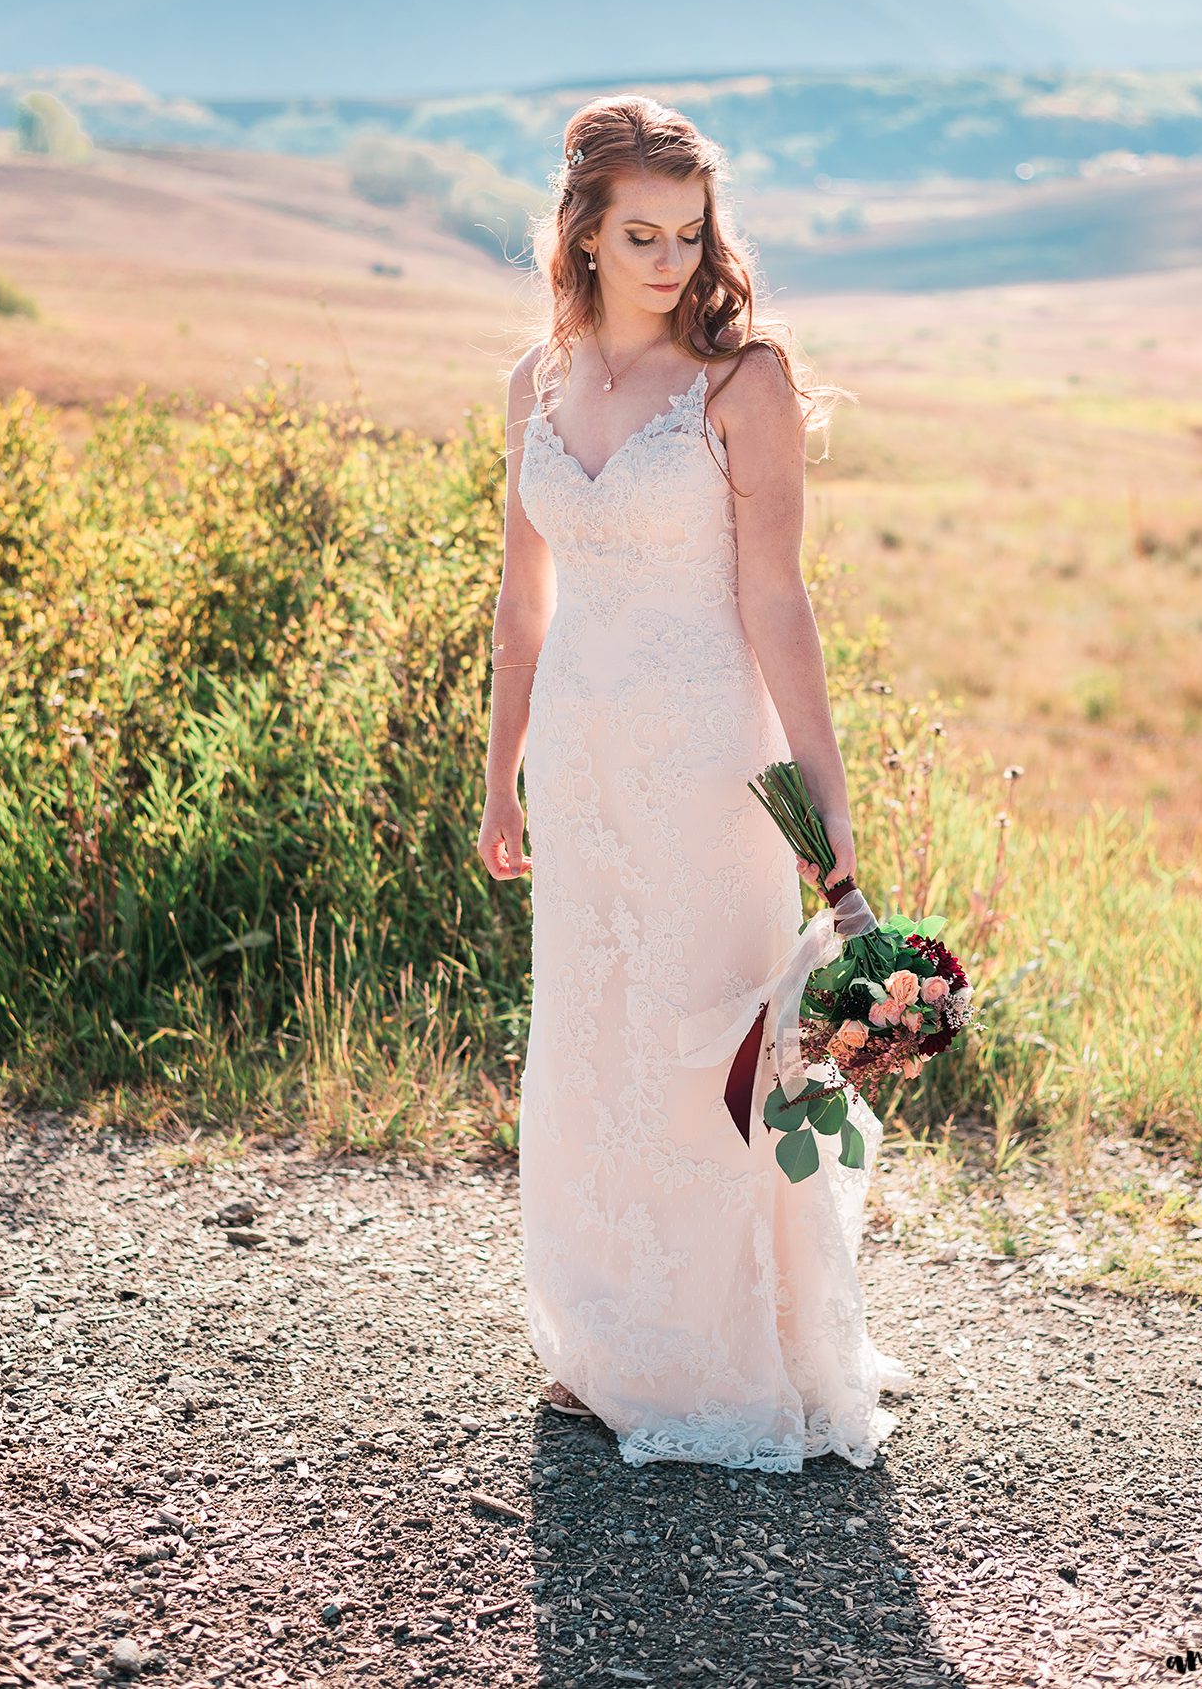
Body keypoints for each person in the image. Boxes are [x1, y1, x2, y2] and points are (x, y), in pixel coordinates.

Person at [478, 94, 913, 1471]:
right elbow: (519, 605)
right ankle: (614, 1342)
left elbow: (778, 600)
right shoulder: (530, 386)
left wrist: (823, 808)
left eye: (688, 232)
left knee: (708, 1046)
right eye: (640, 235)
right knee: (594, 1038)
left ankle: (730, 1355)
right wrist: (500, 779)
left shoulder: (744, 382)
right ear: (585, 239)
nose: (672, 260)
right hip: (585, 765)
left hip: (708, 767)